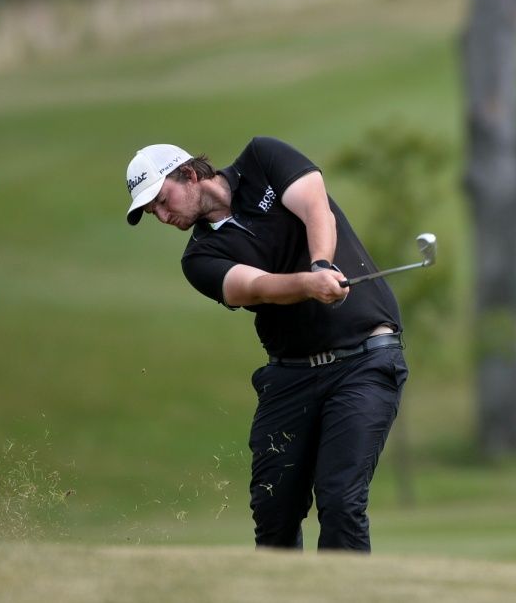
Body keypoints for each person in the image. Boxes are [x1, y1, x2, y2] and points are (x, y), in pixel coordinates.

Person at [124, 136, 407, 551]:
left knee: (340, 501)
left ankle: (342, 586)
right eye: (154, 212)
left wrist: (322, 264)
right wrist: (309, 284)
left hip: (364, 362)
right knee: (274, 512)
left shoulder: (262, 158)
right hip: (290, 377)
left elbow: (316, 208)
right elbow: (255, 286)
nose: (163, 216)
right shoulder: (199, 257)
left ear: (188, 174)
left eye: (163, 201)